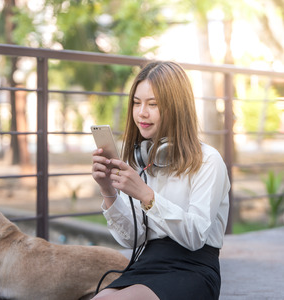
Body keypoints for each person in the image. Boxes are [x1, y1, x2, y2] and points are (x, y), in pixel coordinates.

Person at [91, 61, 230, 300]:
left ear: (177, 108)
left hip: (192, 269)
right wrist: (108, 190)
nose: (141, 112)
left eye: (152, 104)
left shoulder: (208, 161)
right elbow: (131, 238)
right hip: (146, 264)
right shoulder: (142, 160)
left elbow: (195, 237)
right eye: (136, 103)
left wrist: (146, 195)